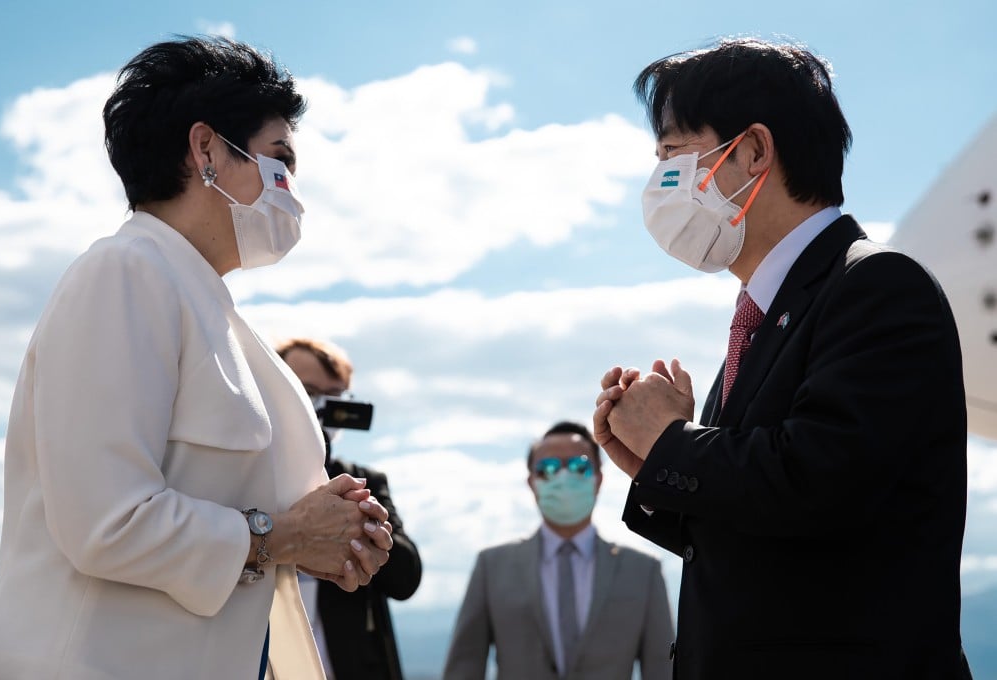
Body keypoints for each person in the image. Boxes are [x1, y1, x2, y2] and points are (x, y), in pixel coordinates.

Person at [0, 37, 395, 680]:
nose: (292, 193)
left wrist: (335, 532)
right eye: (279, 160)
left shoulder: (207, 306)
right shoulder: (123, 272)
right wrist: (281, 536)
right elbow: (106, 520)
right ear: (207, 150)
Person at [592, 38, 972, 679]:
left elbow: (820, 485)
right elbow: (753, 530)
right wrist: (658, 462)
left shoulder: (877, 286)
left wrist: (676, 444)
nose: (658, 179)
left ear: (754, 151)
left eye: (672, 152)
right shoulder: (767, 312)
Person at [444, 421, 674, 680]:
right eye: (548, 469)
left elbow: (662, 670)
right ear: (531, 482)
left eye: (579, 466)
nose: (564, 477)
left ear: (598, 479)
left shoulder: (643, 570)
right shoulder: (492, 566)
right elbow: (464, 666)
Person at [277, 338, 423, 680]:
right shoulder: (242, 478)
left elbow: (405, 579)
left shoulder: (362, 482)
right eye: (308, 393)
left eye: (335, 398)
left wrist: (349, 503)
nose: (320, 409)